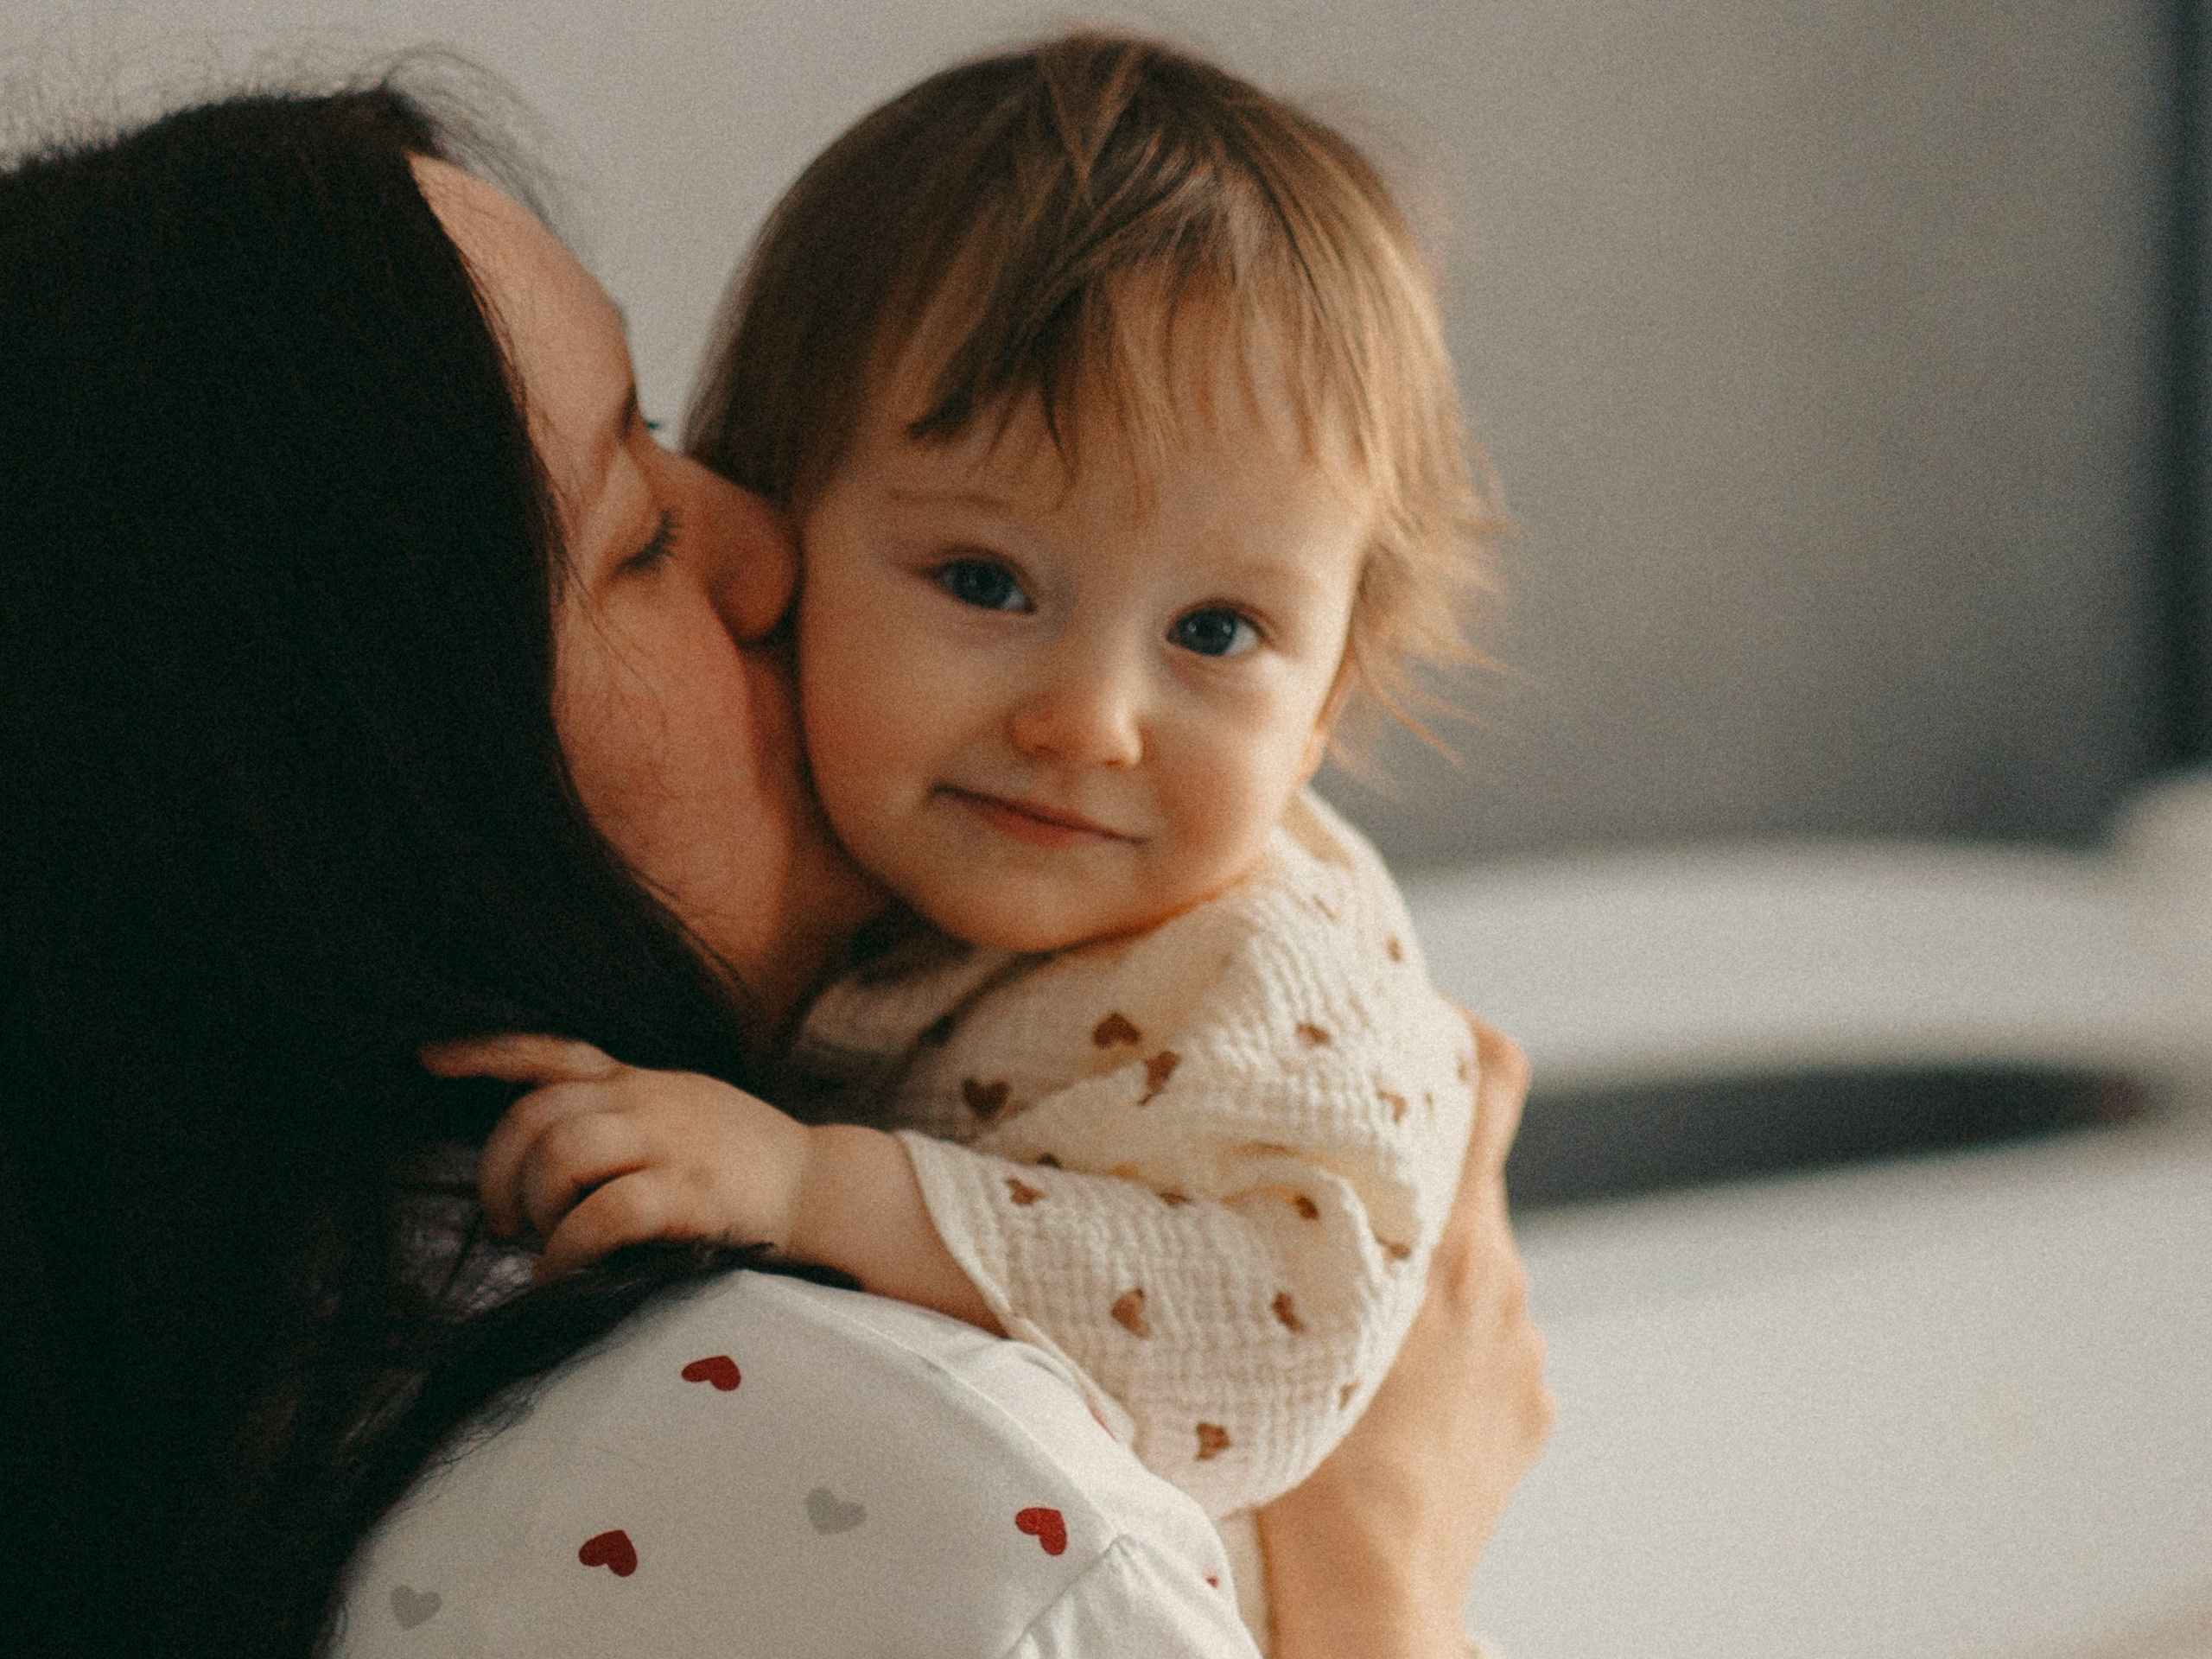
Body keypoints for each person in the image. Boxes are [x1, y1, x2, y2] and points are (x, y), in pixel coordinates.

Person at [0, 72, 1548, 1659]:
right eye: (635, 532)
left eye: (1218, 632)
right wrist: (1386, 1588)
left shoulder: (184, 1319)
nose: (760, 543)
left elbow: (1273, 1316)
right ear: (362, 770)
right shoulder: (967, 1529)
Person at [436, 35, 1497, 1649]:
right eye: (986, 584)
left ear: (1332, 698)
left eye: (1216, 630)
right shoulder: (874, 900)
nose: (1091, 721)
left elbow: (1276, 1348)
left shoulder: (1268, 981)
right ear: (785, 522)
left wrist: (814, 1186)